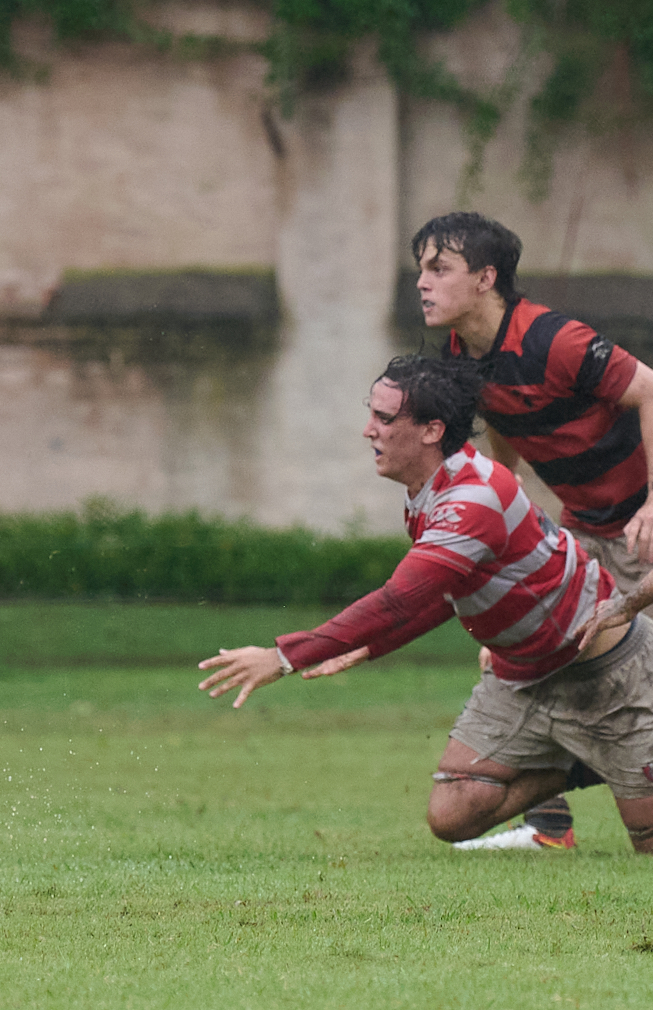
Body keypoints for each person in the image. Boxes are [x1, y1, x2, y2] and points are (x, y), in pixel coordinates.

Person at [198, 356, 653, 854]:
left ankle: (619, 761)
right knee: (451, 816)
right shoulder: (431, 490)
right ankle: (586, 764)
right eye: (372, 414)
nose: (368, 430)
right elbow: (445, 592)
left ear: (432, 430)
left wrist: (281, 657)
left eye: (385, 418)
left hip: (606, 673)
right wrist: (373, 648)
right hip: (524, 674)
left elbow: (398, 600)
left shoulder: (471, 499)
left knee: (645, 848)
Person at [417, 211, 653, 850]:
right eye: (421, 268)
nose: (422, 282)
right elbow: (502, 413)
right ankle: (550, 827)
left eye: (439, 268)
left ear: (486, 278)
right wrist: (503, 486)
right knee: (536, 652)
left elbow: (651, 390)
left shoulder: (556, 341)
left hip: (637, 525)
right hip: (585, 530)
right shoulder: (465, 353)